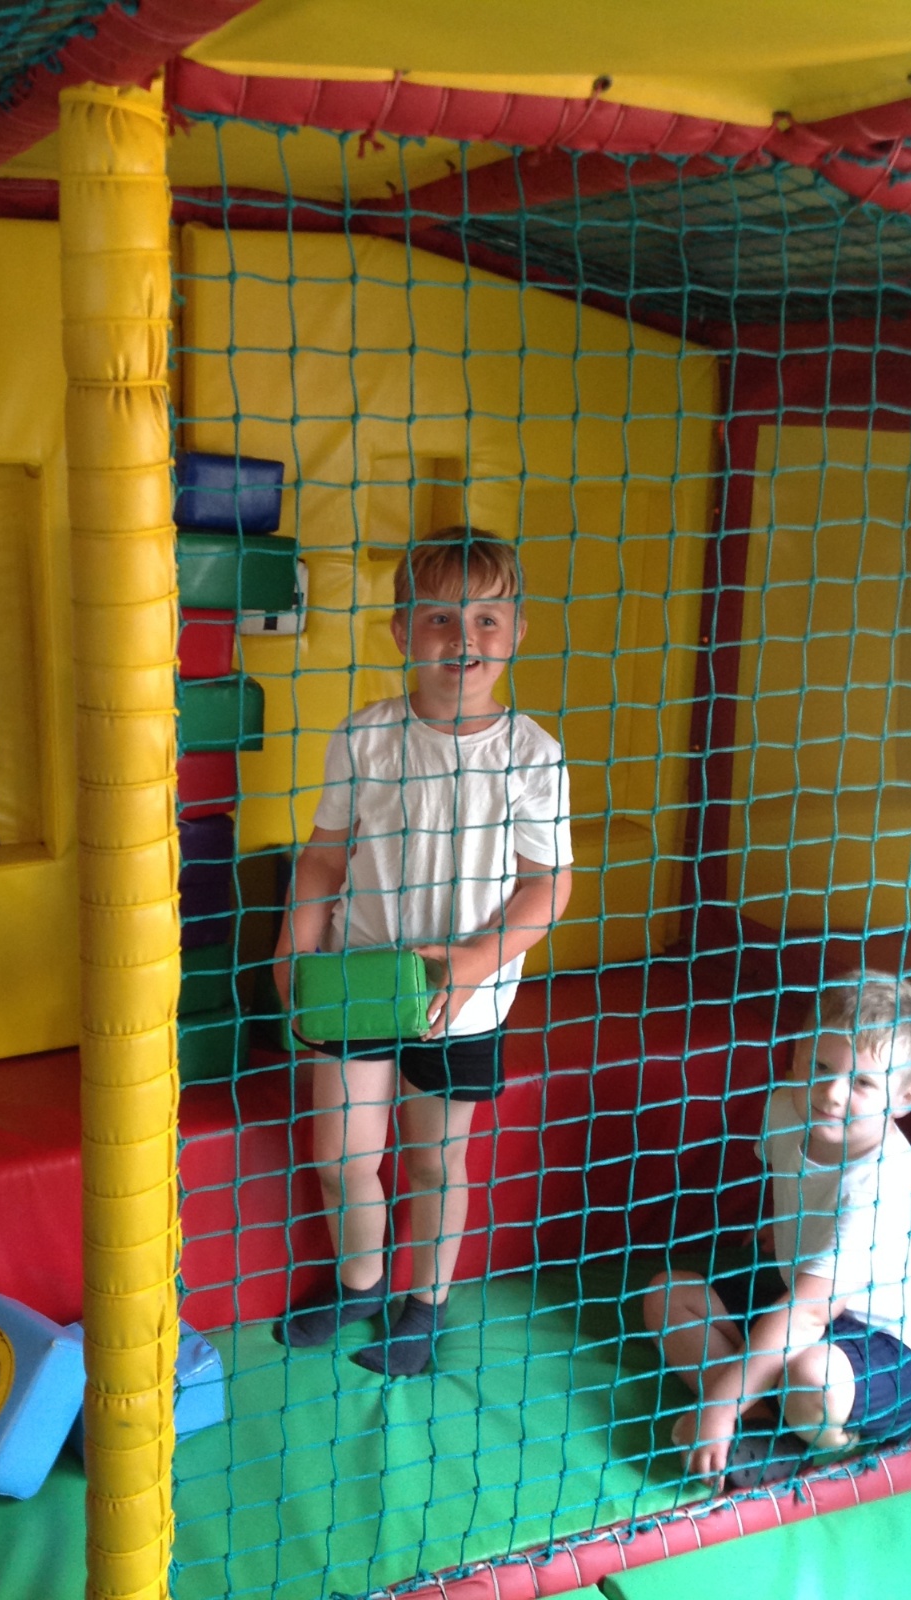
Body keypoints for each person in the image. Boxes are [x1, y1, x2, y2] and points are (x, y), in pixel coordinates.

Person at [272, 526, 573, 1376]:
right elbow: (324, 856)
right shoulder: (365, 737)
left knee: (436, 1160)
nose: (462, 638)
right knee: (341, 1157)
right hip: (361, 978)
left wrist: (473, 963)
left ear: (515, 633)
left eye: (485, 620)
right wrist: (292, 946)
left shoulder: (530, 755)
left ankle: (425, 1304)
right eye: (439, 618)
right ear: (403, 631)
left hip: (463, 999)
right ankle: (359, 1282)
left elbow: (547, 887)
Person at [645, 970, 911, 1489]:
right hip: (805, 1299)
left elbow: (809, 1313)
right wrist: (781, 1225)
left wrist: (717, 1407)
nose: (831, 1093)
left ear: (903, 1097)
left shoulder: (884, 1181)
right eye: (820, 1066)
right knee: (668, 1296)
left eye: (862, 1083)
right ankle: (765, 1425)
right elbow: (791, 1178)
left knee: (811, 1377)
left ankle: (826, 1437)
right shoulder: (786, 1110)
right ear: (796, 1057)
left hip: (887, 1340)